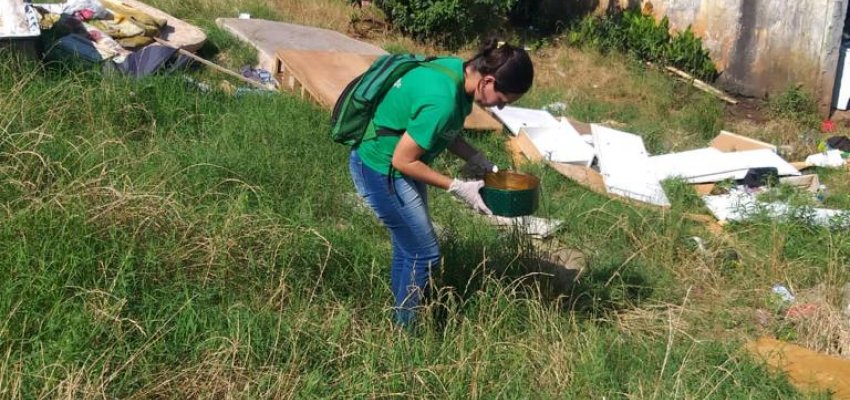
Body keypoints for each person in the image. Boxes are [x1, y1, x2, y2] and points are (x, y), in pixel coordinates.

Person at [348, 38, 534, 327]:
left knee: (409, 247)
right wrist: (458, 187)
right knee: (424, 255)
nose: (500, 107)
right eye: (502, 100)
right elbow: (403, 160)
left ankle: (398, 320)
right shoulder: (443, 99)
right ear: (487, 81)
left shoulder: (456, 71)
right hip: (381, 169)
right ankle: (405, 333)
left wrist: (476, 158)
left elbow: (442, 130)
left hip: (395, 165)